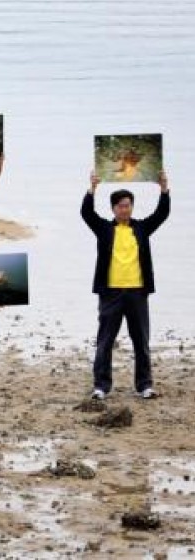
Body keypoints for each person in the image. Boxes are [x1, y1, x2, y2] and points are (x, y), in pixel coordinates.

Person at [82, 170, 170, 401]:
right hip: (110, 293)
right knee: (105, 342)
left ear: (132, 207)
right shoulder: (104, 229)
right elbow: (86, 213)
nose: (125, 209)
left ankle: (144, 386)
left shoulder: (141, 228)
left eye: (128, 205)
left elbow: (162, 214)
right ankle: (101, 386)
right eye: (121, 206)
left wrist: (164, 188)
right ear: (113, 208)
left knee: (141, 341)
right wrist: (92, 188)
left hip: (137, 293)